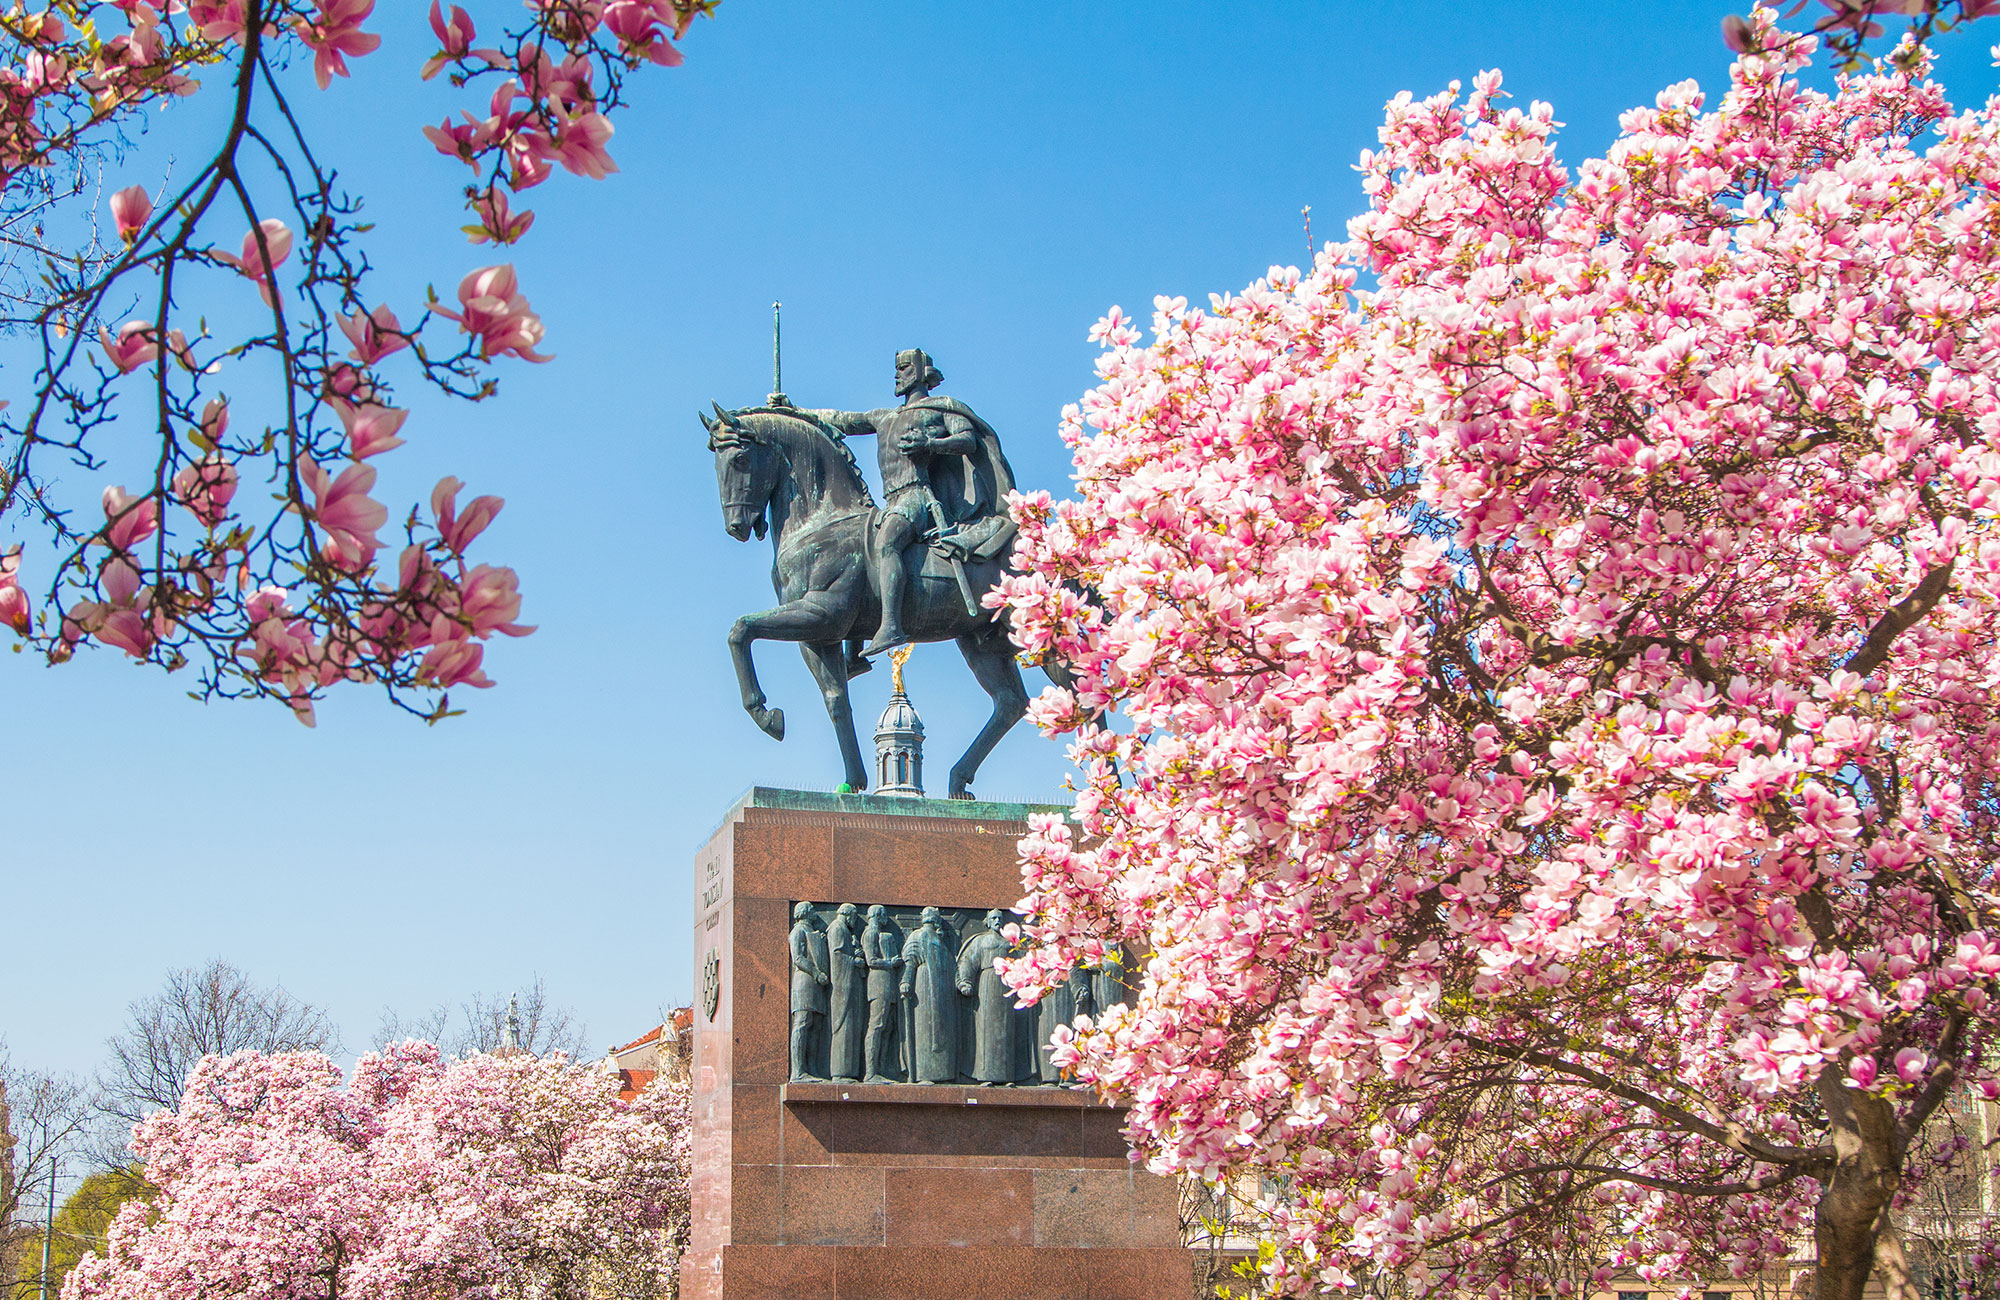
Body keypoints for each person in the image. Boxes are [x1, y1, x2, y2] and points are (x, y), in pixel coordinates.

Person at [805, 350, 1016, 660]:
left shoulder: (940, 408)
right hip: (890, 501)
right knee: (857, 552)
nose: (897, 374)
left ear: (919, 373)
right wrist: (793, 410)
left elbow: (967, 439)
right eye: (897, 369)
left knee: (887, 542)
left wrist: (930, 444)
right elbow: (841, 420)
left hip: (917, 496)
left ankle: (891, 625)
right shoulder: (883, 417)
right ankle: (854, 652)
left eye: (903, 368)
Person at [955, 908, 1021, 1085]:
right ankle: (985, 1076)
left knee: (1005, 1029)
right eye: (993, 918)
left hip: (1006, 986)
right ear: (987, 922)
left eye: (999, 918)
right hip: (987, 985)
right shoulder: (980, 941)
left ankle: (1006, 1076)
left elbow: (1021, 963)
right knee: (986, 1029)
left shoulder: (1009, 944)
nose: (997, 921)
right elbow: (967, 961)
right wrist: (965, 982)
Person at [899, 906, 958, 1083]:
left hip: (942, 989)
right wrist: (906, 981)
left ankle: (943, 1073)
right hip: (924, 986)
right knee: (925, 1028)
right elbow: (910, 960)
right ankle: (925, 1074)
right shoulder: (917, 935)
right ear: (934, 919)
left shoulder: (939, 940)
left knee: (942, 1030)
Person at [788, 902, 831, 1080]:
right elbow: (798, 958)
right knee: (802, 1022)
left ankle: (812, 1069)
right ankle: (798, 1071)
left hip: (816, 984)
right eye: (811, 910)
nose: (814, 912)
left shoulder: (811, 931)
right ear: (805, 912)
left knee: (816, 1025)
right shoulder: (797, 931)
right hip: (805, 981)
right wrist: (816, 973)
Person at [861, 904, 904, 1083]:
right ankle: (871, 1072)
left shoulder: (882, 934)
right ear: (877, 916)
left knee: (888, 1026)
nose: (886, 918)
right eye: (884, 914)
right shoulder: (870, 933)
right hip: (878, 982)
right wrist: (890, 962)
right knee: (877, 1025)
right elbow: (871, 960)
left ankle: (882, 1069)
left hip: (889, 983)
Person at [826, 902, 867, 1082]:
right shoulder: (837, 928)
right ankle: (841, 1072)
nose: (855, 921)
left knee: (851, 1026)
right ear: (848, 914)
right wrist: (854, 961)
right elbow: (837, 957)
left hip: (850, 984)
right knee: (844, 1026)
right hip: (842, 986)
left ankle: (849, 1071)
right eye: (854, 917)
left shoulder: (845, 931)